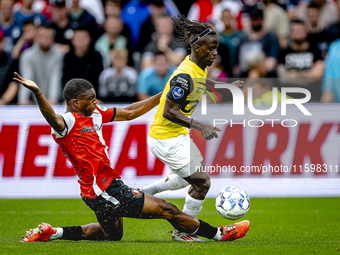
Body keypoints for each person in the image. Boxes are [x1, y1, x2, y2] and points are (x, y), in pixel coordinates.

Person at [15, 72, 250, 242]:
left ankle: (53, 232)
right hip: (104, 190)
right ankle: (220, 235)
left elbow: (129, 112)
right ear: (76, 102)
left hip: (98, 191)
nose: (95, 101)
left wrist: (163, 94)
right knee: (167, 210)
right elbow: (51, 117)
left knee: (112, 236)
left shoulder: (95, 113)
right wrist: (38, 93)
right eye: (91, 98)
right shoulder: (67, 122)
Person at [142, 14, 244, 242]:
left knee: (186, 178)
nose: (215, 53)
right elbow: (169, 111)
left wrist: (226, 85)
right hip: (164, 138)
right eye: (210, 48)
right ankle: (183, 232)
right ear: (197, 47)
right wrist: (200, 125)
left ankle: (142, 194)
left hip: (176, 135)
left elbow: (202, 83)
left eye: (216, 48)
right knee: (202, 182)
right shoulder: (183, 76)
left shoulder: (198, 67)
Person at [18, 24, 63, 105]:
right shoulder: (27, 55)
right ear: (36, 38)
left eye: (49, 37)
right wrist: (23, 99)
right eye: (42, 36)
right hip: (33, 102)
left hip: (54, 102)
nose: (46, 39)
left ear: (53, 38)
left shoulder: (58, 54)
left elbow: (56, 78)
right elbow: (27, 78)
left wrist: (53, 98)